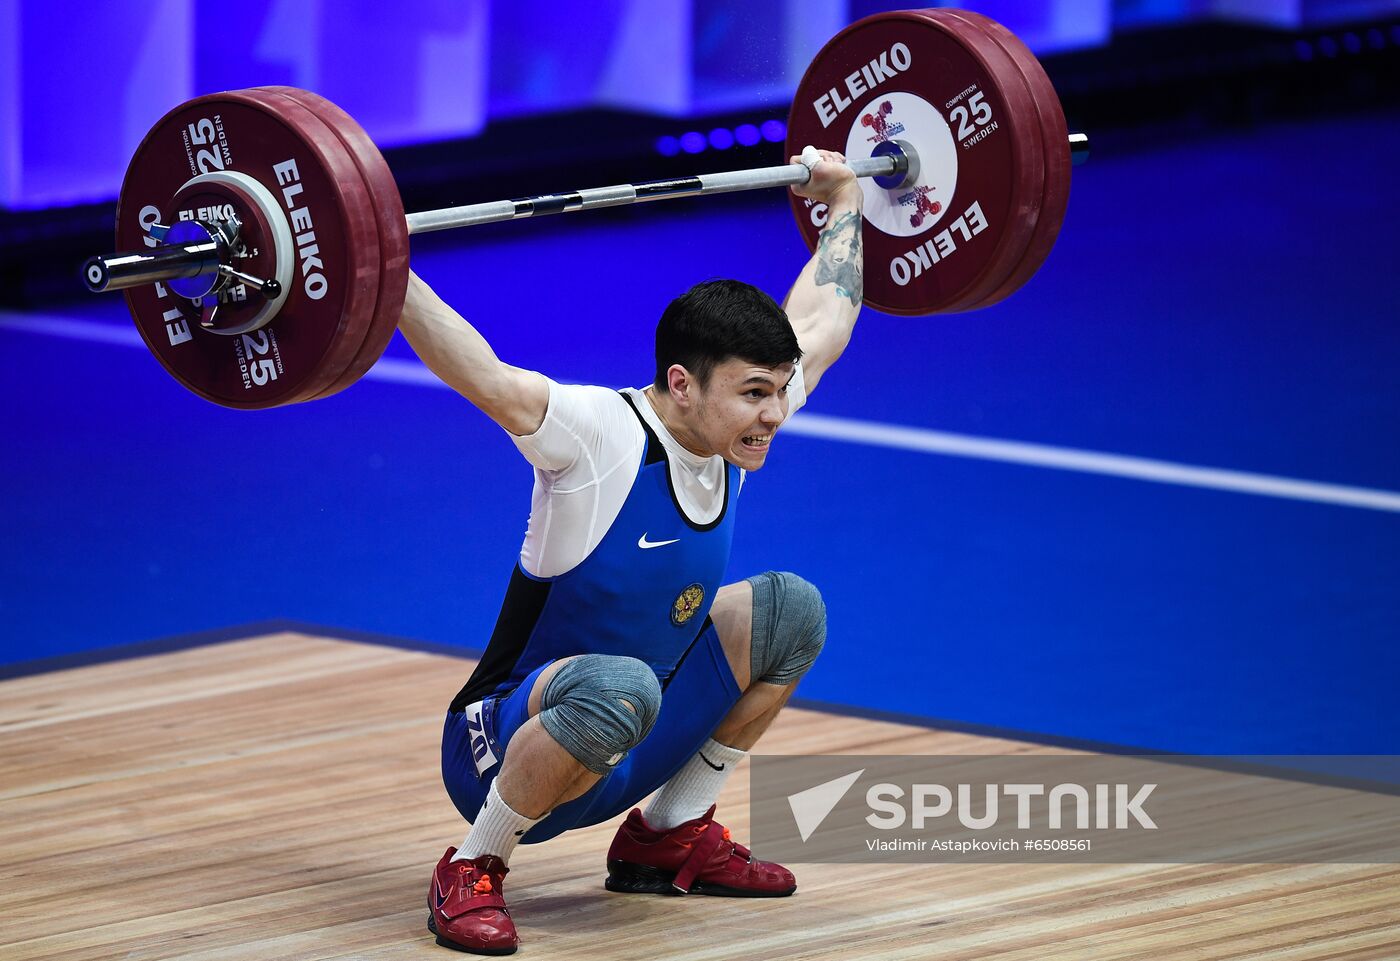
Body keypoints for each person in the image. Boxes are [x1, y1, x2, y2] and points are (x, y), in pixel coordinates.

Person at [397, 148, 864, 955]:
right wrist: (379, 266)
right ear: (683, 383)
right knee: (624, 684)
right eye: (757, 391)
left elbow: (824, 321)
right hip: (500, 744)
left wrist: (846, 196)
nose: (776, 413)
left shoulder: (736, 431)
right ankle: (474, 863)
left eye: (780, 389)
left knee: (792, 610)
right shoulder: (599, 434)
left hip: (629, 731)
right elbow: (482, 373)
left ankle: (667, 835)